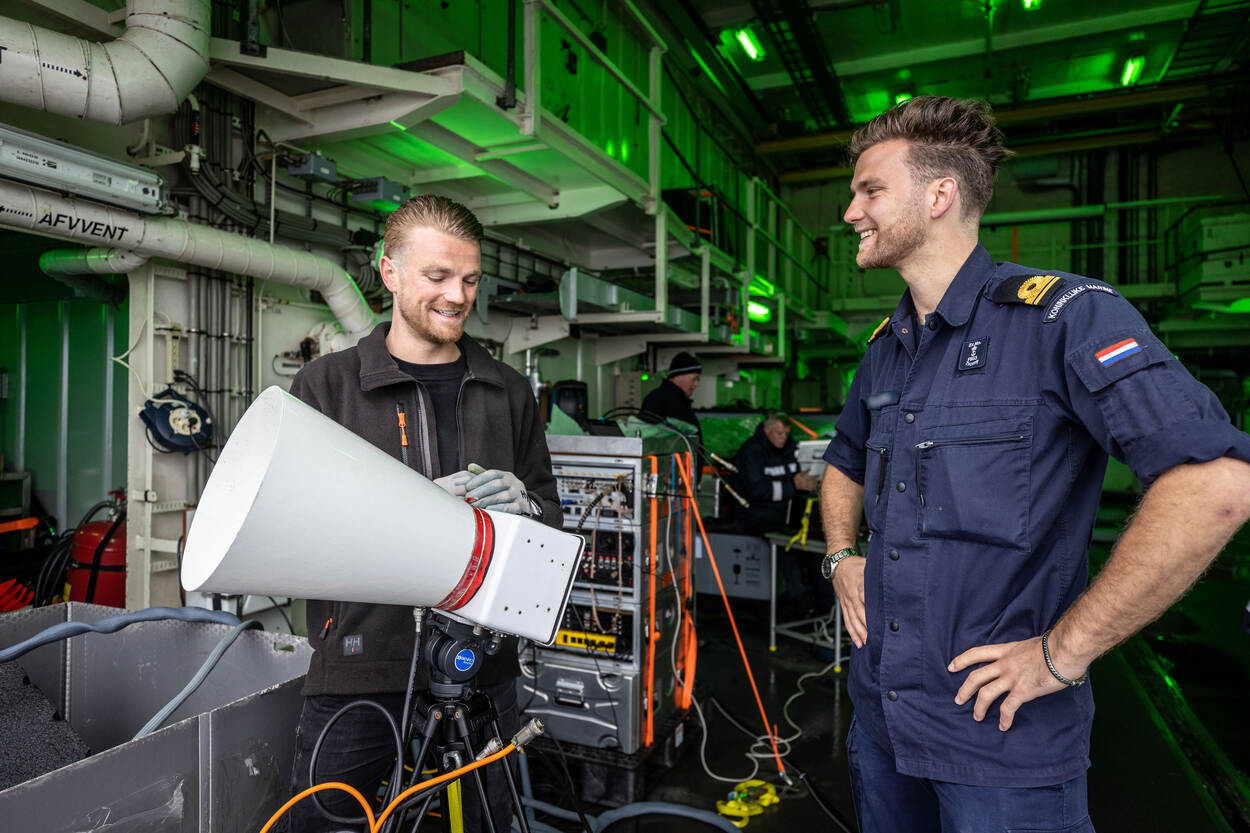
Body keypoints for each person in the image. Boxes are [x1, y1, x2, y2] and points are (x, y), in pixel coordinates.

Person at [818, 96, 1250, 833]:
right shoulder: (885, 349)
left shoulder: (1065, 317)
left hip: (1000, 748)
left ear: (939, 195)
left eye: (870, 190)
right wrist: (839, 556)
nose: (850, 211)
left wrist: (1060, 654)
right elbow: (844, 460)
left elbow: (1216, 483)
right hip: (882, 725)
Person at [286, 194, 561, 833]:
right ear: (389, 272)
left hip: (480, 666)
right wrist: (409, 511)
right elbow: (297, 531)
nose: (457, 296)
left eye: (470, 279)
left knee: (485, 823)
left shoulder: (508, 391)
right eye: (437, 276)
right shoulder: (327, 386)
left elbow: (551, 518)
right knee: (327, 822)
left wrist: (526, 506)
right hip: (361, 661)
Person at [734, 414, 826, 614]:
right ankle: (801, 600)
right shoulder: (752, 451)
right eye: (778, 433)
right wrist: (794, 485)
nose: (783, 437)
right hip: (758, 514)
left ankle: (824, 605)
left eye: (786, 433)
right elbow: (757, 491)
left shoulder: (792, 449)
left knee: (816, 547)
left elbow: (799, 476)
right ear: (767, 430)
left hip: (788, 514)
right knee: (787, 548)